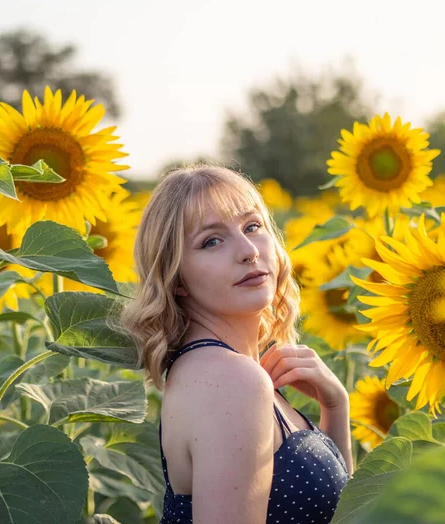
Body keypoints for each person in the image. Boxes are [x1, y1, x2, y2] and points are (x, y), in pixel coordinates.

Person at [121, 163, 352, 524]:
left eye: (252, 226)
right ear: (176, 277)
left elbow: (339, 514)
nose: (248, 250)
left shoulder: (225, 371)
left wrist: (335, 406)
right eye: (211, 241)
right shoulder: (228, 381)